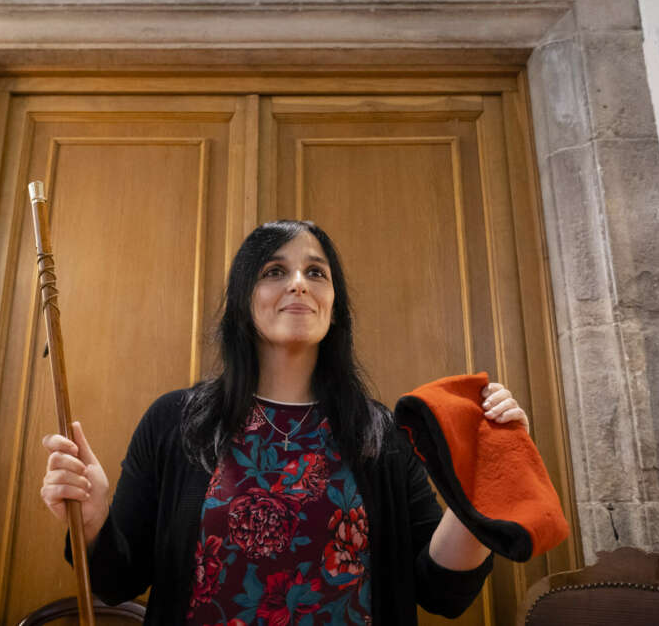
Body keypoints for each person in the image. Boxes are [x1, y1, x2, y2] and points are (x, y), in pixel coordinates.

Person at [41, 220, 530, 625]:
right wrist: (92, 518)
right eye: (275, 270)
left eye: (316, 273)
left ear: (334, 308)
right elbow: (115, 581)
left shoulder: (380, 432)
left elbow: (440, 593)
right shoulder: (175, 421)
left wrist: (480, 487)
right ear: (242, 300)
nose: (298, 282)